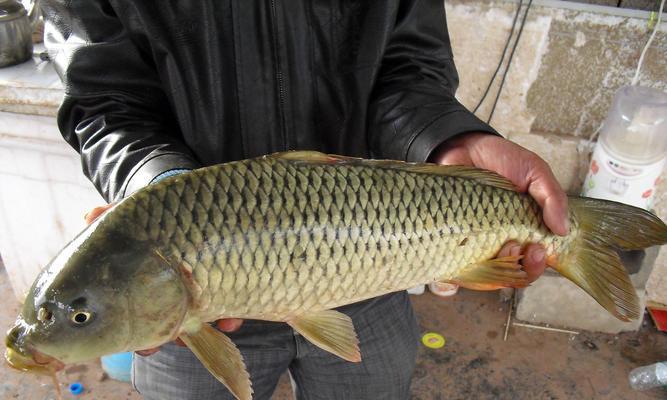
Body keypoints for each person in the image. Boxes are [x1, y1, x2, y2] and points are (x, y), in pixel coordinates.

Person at [42, 1, 568, 399]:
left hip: (370, 262)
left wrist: (448, 140)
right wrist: (157, 190)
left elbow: (409, 67)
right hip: (197, 297)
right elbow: (104, 98)